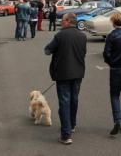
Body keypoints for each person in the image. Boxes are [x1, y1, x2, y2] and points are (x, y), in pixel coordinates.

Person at [44, 13, 87, 145]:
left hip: (63, 73)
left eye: (62, 20)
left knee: (64, 102)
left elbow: (47, 50)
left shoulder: (60, 35)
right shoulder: (82, 36)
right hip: (78, 72)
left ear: (68, 21)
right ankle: (72, 125)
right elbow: (83, 52)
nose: (61, 22)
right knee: (74, 99)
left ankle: (66, 134)